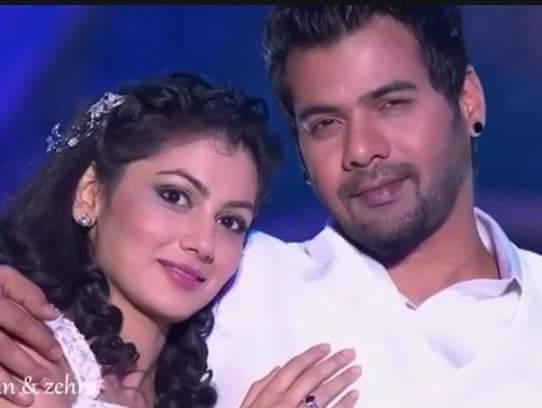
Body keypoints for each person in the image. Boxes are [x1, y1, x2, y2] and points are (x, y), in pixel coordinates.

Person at [1, 5, 542, 407]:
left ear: (468, 99)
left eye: (391, 104)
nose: (360, 149)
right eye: (325, 123)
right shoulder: (233, 279)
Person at [0, 72, 361, 408]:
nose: (203, 244)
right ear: (90, 194)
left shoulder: (196, 389)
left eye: (230, 222)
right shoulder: (28, 354)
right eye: (174, 196)